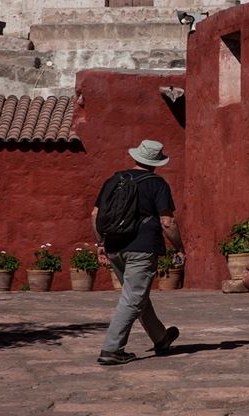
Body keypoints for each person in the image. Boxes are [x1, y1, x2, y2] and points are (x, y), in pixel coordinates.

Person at [91, 138, 185, 365]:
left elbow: (95, 215)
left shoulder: (113, 181)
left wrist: (101, 243)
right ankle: (112, 349)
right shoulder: (157, 184)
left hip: (114, 246)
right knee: (133, 298)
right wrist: (179, 247)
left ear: (135, 157)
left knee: (135, 295)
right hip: (142, 249)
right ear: (157, 162)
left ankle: (161, 338)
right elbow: (167, 222)